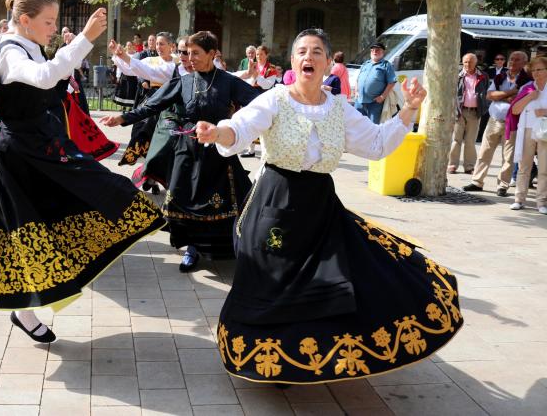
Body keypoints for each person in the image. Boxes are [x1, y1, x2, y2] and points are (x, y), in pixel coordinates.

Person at [195, 27, 462, 385]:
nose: (309, 57)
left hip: (320, 206)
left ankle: (309, 358)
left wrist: (410, 108)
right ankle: (265, 360)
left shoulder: (339, 108)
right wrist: (217, 133)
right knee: (271, 280)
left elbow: (377, 144)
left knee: (340, 277)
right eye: (302, 51)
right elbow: (240, 129)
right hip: (275, 200)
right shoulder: (274, 100)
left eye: (317, 51)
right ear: (292, 62)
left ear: (327, 64)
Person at [0, 0, 164, 342]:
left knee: (67, 205)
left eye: (55, 21)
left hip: (39, 145)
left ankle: (27, 290)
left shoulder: (29, 45)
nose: (54, 28)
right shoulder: (11, 51)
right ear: (25, 21)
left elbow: (51, 77)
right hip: (16, 154)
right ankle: (23, 309)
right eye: (49, 21)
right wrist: (85, 38)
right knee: (24, 229)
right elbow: (45, 77)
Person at [102, 31, 262, 272]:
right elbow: (152, 104)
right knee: (185, 198)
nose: (190, 58)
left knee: (227, 199)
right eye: (187, 53)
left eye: (196, 53)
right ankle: (192, 248)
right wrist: (123, 118)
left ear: (211, 54)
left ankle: (234, 247)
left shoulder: (228, 82)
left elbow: (261, 102)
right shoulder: (183, 82)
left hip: (219, 149)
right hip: (187, 150)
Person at [464, 51, 531, 196]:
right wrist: (511, 92)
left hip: (513, 124)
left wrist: (501, 95)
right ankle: (477, 181)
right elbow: (489, 95)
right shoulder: (501, 76)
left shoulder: (527, 80)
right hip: (494, 120)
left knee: (508, 157)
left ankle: (502, 186)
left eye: (517, 59)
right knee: (484, 152)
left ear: (524, 63)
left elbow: (518, 100)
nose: (512, 62)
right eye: (511, 59)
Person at [112, 32, 176, 174]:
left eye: (162, 44)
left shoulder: (177, 63)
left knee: (161, 134)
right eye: (157, 44)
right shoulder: (150, 60)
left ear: (172, 46)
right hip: (152, 97)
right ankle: (149, 171)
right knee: (140, 128)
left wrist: (124, 56)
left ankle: (158, 171)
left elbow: (155, 72)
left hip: (170, 100)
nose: (158, 47)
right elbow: (130, 70)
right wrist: (118, 56)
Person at [508, 56, 547, 213]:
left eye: (540, 69)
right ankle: (519, 199)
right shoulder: (527, 88)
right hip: (528, 129)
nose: (536, 73)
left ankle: (542, 202)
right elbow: (515, 110)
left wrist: (545, 112)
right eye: (534, 70)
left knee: (544, 168)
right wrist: (530, 97)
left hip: (545, 131)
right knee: (524, 166)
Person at [235, 44, 280, 156]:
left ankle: (267, 151)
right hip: (250, 95)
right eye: (257, 54)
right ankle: (251, 150)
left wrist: (257, 77)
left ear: (267, 55)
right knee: (250, 122)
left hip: (264, 96)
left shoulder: (271, 68)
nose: (258, 56)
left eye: (261, 54)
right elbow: (248, 81)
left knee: (264, 124)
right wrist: (253, 77)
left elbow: (268, 85)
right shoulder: (253, 66)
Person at [448, 53, 489, 174]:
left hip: (475, 112)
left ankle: (469, 166)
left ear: (475, 63)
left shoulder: (483, 76)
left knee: (471, 141)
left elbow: (487, 92)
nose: (467, 64)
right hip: (460, 111)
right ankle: (452, 165)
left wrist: (484, 107)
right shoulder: (458, 75)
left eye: (470, 62)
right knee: (456, 140)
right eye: (465, 62)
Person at [355, 42, 397, 124]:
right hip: (359, 101)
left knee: (373, 127)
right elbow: (358, 79)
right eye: (372, 50)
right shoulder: (366, 64)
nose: (374, 52)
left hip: (374, 103)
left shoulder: (386, 65)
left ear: (383, 52)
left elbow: (392, 82)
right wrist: (356, 92)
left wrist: (382, 97)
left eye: (377, 50)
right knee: (357, 125)